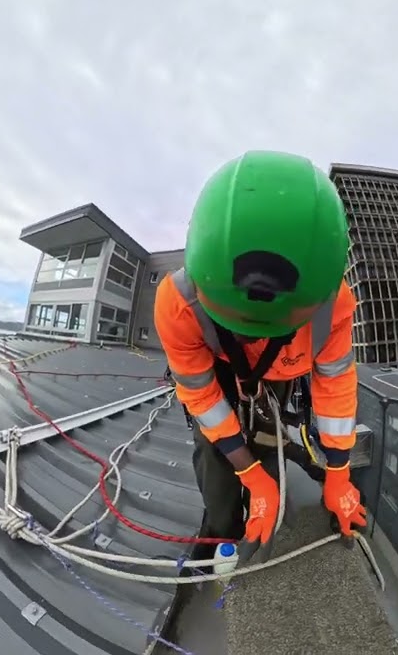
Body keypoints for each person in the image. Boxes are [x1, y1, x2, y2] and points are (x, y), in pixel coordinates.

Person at [154, 150, 367, 557]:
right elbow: (202, 396)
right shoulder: (179, 305)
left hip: (281, 379)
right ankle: (224, 529)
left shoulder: (332, 305)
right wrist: (248, 473)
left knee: (270, 441)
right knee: (216, 459)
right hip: (218, 374)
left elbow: (335, 386)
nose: (252, 335)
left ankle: (261, 480)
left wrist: (339, 472)